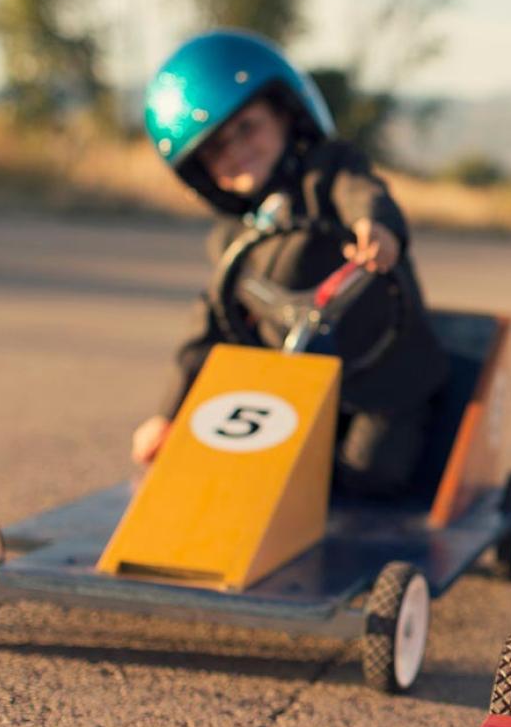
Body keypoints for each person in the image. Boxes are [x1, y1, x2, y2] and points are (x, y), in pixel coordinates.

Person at [129, 29, 449, 497]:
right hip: (285, 391)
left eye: (247, 127)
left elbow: (363, 192)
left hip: (380, 380)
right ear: (201, 172)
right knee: (231, 463)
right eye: (216, 147)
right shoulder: (232, 242)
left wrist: (374, 227)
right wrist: (167, 413)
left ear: (285, 114)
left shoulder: (330, 173)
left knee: (369, 471)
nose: (236, 149)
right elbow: (207, 327)